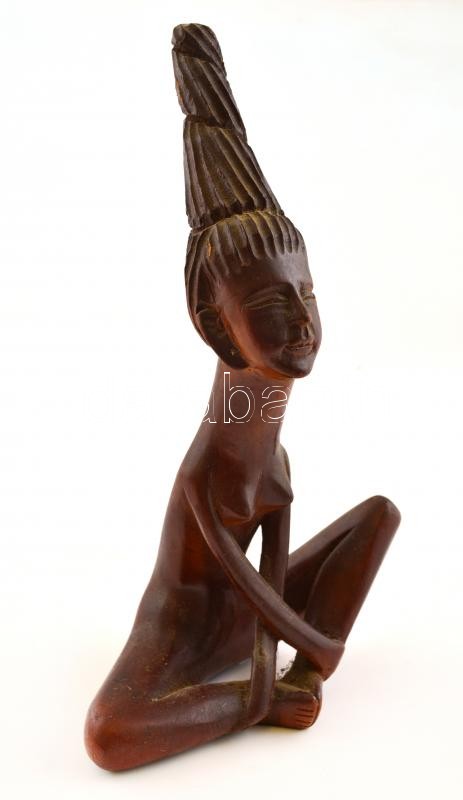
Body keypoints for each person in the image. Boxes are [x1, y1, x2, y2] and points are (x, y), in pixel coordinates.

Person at [84, 23, 400, 771]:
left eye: (306, 294)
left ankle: (275, 694)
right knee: (109, 735)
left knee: (378, 516)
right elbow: (276, 614)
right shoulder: (208, 472)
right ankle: (250, 706)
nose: (303, 322)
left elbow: (268, 600)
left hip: (241, 621)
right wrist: (281, 679)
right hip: (179, 642)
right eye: (269, 304)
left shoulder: (274, 454)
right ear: (214, 324)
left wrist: (300, 657)